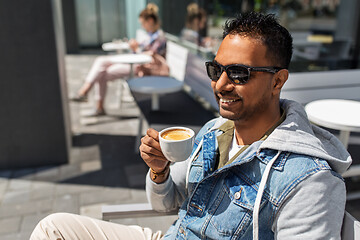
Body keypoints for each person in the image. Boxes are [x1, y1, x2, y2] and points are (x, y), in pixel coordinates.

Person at [31, 12, 352, 239]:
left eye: (239, 73)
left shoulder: (310, 181)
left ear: (277, 81)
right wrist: (159, 171)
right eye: (217, 70)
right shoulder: (214, 132)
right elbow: (166, 203)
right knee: (53, 228)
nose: (221, 85)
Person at [71, 3, 167, 116]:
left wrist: (136, 49)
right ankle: (89, 96)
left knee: (101, 71)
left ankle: (89, 96)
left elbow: (147, 58)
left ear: (150, 21)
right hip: (135, 63)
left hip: (141, 67)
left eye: (143, 23)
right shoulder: (150, 35)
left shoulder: (159, 37)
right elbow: (142, 51)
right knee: (101, 63)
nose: (142, 26)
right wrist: (135, 47)